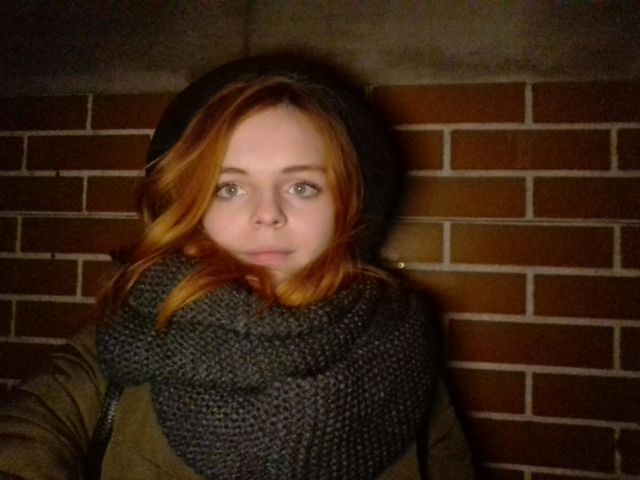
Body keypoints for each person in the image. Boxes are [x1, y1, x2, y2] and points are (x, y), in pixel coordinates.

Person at [0, 56, 475, 479]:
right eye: (229, 188)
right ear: (193, 206)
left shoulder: (406, 356)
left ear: (345, 206)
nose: (267, 214)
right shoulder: (120, 346)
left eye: (302, 187)